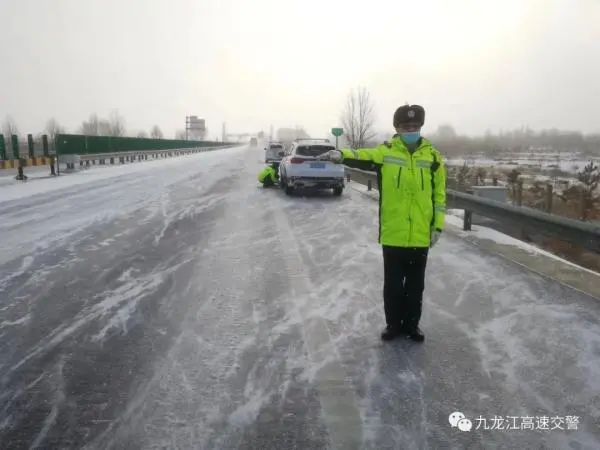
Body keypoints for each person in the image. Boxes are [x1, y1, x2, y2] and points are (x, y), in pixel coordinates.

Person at [326, 104, 446, 342]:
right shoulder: (386, 152)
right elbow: (363, 155)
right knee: (392, 286)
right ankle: (393, 325)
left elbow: (439, 196)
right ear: (396, 128)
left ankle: (412, 326)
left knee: (415, 288)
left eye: (414, 126)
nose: (410, 129)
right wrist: (342, 154)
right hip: (393, 234)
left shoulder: (433, 157)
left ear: (421, 126)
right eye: (405, 126)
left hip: (421, 235)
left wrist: (437, 226)